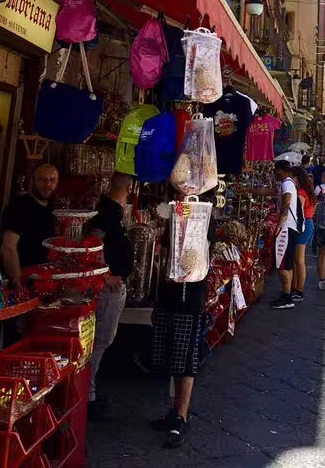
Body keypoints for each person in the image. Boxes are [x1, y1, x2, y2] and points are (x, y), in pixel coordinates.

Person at [151, 201, 218, 447]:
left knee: (186, 354)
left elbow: (207, 238)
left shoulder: (204, 215)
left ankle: (181, 414)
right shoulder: (175, 211)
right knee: (173, 353)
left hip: (190, 293)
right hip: (170, 290)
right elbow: (167, 245)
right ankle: (174, 409)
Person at [86, 173, 135, 420]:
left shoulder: (113, 211)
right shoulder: (108, 212)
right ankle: (88, 395)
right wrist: (105, 274)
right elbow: (93, 242)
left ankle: (89, 391)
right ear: (129, 187)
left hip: (113, 284)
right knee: (100, 340)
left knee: (103, 339)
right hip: (108, 287)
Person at [1, 163, 59, 284]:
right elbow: (9, 248)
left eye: (52, 180)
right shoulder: (19, 206)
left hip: (44, 282)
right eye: (42, 180)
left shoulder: (51, 210)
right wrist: (18, 285)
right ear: (32, 181)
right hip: (24, 281)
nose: (48, 184)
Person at [270, 156, 302, 309]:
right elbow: (270, 192)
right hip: (290, 228)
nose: (274, 173)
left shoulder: (287, 185)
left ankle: (287, 298)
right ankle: (286, 294)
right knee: (286, 264)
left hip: (286, 229)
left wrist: (279, 225)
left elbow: (286, 202)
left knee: (283, 265)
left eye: (275, 170)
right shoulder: (286, 184)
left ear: (280, 170)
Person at [292, 165, 316, 301]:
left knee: (299, 260)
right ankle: (296, 288)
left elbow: (298, 211)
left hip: (304, 224)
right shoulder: (306, 190)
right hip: (307, 223)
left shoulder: (301, 192)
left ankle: (299, 290)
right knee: (298, 260)